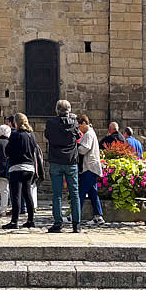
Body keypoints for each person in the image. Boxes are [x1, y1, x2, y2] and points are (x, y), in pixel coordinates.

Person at [45, 99, 81, 233]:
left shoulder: (51, 123)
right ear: (69, 110)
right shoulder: (74, 123)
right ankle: (76, 224)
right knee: (74, 193)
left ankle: (58, 223)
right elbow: (78, 136)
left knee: (57, 194)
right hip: (71, 161)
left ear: (56, 110)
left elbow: (47, 135)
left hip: (56, 160)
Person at [2, 113, 38, 229]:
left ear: (16, 123)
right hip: (29, 168)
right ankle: (31, 220)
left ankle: (14, 221)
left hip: (17, 167)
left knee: (16, 195)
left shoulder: (15, 135)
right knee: (27, 194)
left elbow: (7, 150)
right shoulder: (31, 135)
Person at [76, 114, 104, 225]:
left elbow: (84, 149)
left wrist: (76, 148)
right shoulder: (91, 133)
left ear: (84, 123)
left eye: (79, 126)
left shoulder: (88, 134)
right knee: (93, 193)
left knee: (81, 192)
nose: (79, 129)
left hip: (89, 168)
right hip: (93, 168)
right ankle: (98, 216)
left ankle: (74, 214)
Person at [6, 115, 26, 218]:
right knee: (25, 191)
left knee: (15, 191)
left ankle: (16, 213)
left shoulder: (13, 134)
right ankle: (25, 211)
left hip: (15, 164)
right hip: (27, 165)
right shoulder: (29, 134)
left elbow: (8, 150)